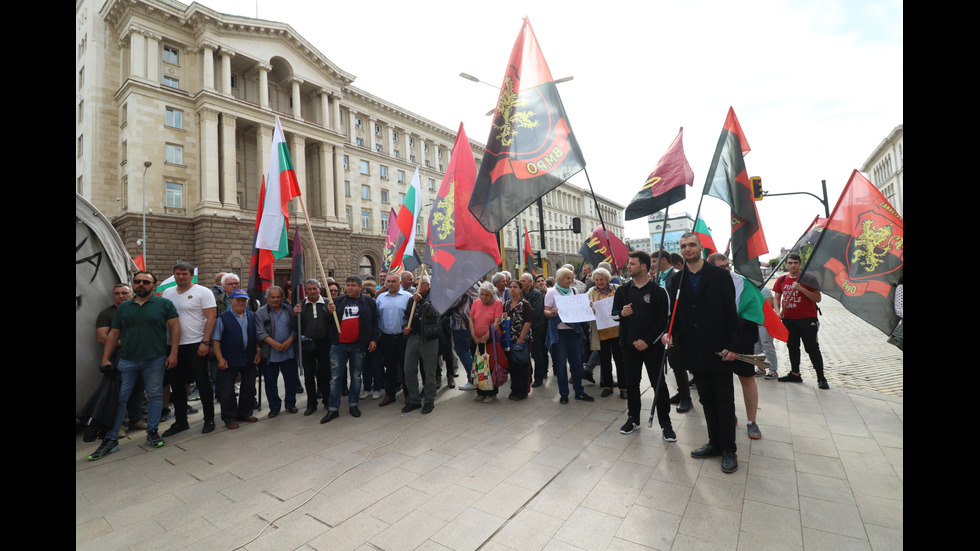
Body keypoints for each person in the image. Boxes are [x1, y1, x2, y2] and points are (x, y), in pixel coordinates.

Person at [664, 233, 742, 473]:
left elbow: (731, 312)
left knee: (724, 400)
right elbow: (675, 314)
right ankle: (714, 443)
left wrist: (734, 347)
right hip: (693, 348)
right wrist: (668, 332)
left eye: (692, 245)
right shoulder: (677, 280)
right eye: (683, 246)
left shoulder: (719, 275)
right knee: (706, 399)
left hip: (718, 348)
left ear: (700, 248)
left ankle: (729, 448)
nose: (687, 249)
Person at [87, 271, 180, 460]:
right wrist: (105, 358)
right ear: (133, 284)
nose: (141, 284)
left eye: (146, 282)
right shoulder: (124, 308)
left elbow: (175, 328)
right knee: (120, 398)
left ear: (153, 285)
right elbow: (113, 334)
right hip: (127, 360)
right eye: (137, 281)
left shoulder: (164, 304)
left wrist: (173, 353)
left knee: (154, 396)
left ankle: (152, 432)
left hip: (155, 359)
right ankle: (112, 438)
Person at [612, 252, 673, 439]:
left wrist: (647, 340)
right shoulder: (622, 290)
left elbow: (664, 320)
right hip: (628, 346)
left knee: (658, 384)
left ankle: (666, 423)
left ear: (644, 266)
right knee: (631, 383)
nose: (628, 267)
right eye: (628, 264)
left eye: (632, 264)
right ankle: (633, 418)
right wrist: (622, 313)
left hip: (652, 347)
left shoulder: (658, 291)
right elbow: (613, 315)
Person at [707, 252, 763, 440]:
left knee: (747, 378)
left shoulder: (743, 284)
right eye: (721, 267)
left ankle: (752, 422)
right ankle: (728, 416)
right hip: (716, 343)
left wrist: (732, 339)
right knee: (721, 383)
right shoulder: (706, 284)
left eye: (727, 265)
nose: (726, 269)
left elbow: (752, 317)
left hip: (741, 342)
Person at [161, 261, 218, 436]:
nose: (181, 276)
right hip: (174, 346)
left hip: (196, 344)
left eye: (184, 273)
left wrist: (205, 341)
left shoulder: (203, 292)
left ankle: (209, 419)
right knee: (177, 385)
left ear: (191, 275)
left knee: (202, 383)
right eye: (178, 273)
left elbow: (211, 317)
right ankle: (180, 421)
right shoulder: (167, 293)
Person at [323, 276, 379, 423]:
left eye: (353, 285)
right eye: (347, 285)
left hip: (358, 345)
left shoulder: (369, 302)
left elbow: (375, 321)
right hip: (338, 345)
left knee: (356, 376)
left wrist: (373, 339)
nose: (349, 288)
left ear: (360, 287)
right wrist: (329, 312)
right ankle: (333, 408)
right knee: (335, 377)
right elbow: (329, 323)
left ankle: (353, 404)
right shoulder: (339, 301)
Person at [95, 283, 145, 436]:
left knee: (138, 390)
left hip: (142, 356)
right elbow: (102, 337)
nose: (121, 296)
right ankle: (121, 425)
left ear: (132, 294)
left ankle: (137, 419)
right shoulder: (107, 313)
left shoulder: (139, 309)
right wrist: (125, 342)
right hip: (120, 357)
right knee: (121, 392)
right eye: (117, 293)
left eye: (124, 292)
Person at [774, 253, 828, 389]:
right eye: (790, 263)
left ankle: (821, 378)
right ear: (786, 264)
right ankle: (795, 374)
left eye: (795, 263)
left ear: (800, 264)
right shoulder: (781, 280)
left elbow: (817, 298)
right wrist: (777, 311)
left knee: (811, 348)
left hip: (807, 319)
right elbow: (776, 297)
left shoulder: (808, 279)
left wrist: (801, 289)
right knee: (792, 347)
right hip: (788, 319)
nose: (792, 265)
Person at [212, 289, 260, 430]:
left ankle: (245, 413)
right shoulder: (223, 318)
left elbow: (257, 336)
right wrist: (220, 359)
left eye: (243, 300)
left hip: (249, 358)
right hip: (229, 359)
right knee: (227, 391)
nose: (241, 303)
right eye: (238, 300)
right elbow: (216, 340)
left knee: (249, 388)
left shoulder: (252, 316)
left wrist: (258, 351)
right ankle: (230, 418)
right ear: (231, 301)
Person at [544, 268, 592, 404]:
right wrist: (551, 313)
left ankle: (579, 391)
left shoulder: (574, 291)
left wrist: (588, 308)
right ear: (559, 279)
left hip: (573, 332)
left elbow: (579, 309)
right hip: (558, 333)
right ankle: (564, 393)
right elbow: (545, 311)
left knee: (576, 363)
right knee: (560, 364)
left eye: (571, 278)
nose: (570, 281)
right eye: (567, 278)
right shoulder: (551, 292)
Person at [655, 250, 693, 414]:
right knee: (672, 361)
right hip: (664, 324)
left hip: (676, 325)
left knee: (677, 361)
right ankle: (681, 391)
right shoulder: (660, 277)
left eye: (654, 261)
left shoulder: (677, 276)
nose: (652, 265)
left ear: (663, 260)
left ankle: (686, 397)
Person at [255, 286, 300, 417]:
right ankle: (274, 407)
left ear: (282, 297)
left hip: (288, 351)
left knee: (291, 380)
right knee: (270, 382)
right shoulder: (260, 312)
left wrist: (290, 340)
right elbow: (259, 332)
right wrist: (274, 344)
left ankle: (290, 404)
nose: (275, 300)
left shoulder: (288, 309)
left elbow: (295, 327)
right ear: (267, 298)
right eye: (272, 297)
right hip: (270, 353)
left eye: (278, 297)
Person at [294, 279, 335, 416]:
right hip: (307, 344)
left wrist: (330, 313)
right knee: (309, 375)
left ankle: (327, 400)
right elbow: (295, 327)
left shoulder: (327, 303)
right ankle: (311, 403)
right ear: (306, 291)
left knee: (325, 373)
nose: (312, 291)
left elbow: (333, 324)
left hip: (324, 343)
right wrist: (295, 315)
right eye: (309, 289)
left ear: (319, 289)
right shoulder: (301, 305)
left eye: (314, 288)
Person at [401, 275, 441, 414]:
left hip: (428, 339)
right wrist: (405, 326)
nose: (416, 287)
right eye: (415, 284)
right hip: (413, 338)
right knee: (409, 369)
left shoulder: (435, 297)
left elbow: (436, 314)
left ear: (427, 285)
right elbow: (406, 316)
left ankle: (429, 400)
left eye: (419, 284)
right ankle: (414, 400)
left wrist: (422, 302)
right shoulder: (412, 299)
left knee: (429, 371)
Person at [587, 268, 625, 399]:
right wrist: (589, 308)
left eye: (602, 279)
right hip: (601, 333)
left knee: (620, 361)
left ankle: (623, 387)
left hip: (618, 331)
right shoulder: (591, 292)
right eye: (596, 280)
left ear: (607, 279)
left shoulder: (617, 288)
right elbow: (585, 310)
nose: (599, 282)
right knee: (605, 361)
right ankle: (607, 386)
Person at [376, 273, 412, 406]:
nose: (390, 284)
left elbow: (412, 316)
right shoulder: (381, 298)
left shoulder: (408, 297)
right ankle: (390, 395)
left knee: (405, 367)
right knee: (389, 368)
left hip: (403, 338)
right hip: (386, 338)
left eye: (393, 281)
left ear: (400, 283)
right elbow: (377, 317)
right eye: (388, 281)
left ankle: (408, 394)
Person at [470, 282, 503, 402]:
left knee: (489, 365)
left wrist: (487, 335)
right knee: (478, 365)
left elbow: (497, 321)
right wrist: (473, 334)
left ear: (492, 294)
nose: (484, 297)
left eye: (487, 295)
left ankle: (491, 393)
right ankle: (480, 391)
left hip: (491, 339)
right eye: (482, 294)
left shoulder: (497, 303)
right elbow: (471, 318)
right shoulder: (476, 302)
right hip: (476, 339)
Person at [504, 280, 533, 400]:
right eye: (510, 287)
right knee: (513, 366)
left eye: (515, 287)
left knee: (522, 365)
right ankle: (514, 390)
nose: (512, 289)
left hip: (521, 340)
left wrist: (521, 338)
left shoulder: (525, 304)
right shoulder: (506, 304)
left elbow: (528, 321)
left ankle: (522, 391)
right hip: (508, 340)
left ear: (520, 289)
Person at [521, 274, 548, 389]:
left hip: (536, 329)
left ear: (530, 283)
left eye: (523, 281)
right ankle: (528, 376)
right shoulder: (520, 294)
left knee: (537, 355)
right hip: (523, 329)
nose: (521, 282)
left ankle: (539, 377)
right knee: (526, 355)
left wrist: (522, 311)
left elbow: (536, 312)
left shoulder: (536, 294)